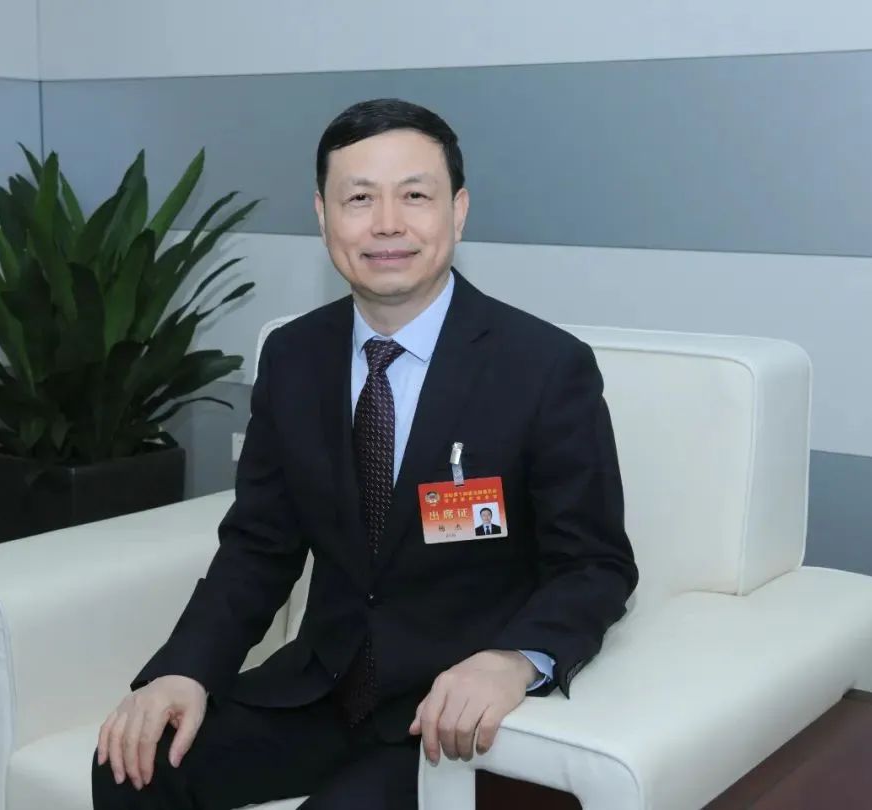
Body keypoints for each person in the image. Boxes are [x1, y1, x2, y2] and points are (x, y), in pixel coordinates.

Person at [91, 98, 638, 810]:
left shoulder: (544, 367)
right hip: (322, 688)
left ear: (458, 210)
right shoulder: (293, 356)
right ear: (323, 216)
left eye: (415, 196)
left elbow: (595, 564)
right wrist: (184, 670)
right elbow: (260, 545)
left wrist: (510, 662)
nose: (387, 224)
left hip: (446, 714)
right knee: (131, 766)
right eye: (359, 198)